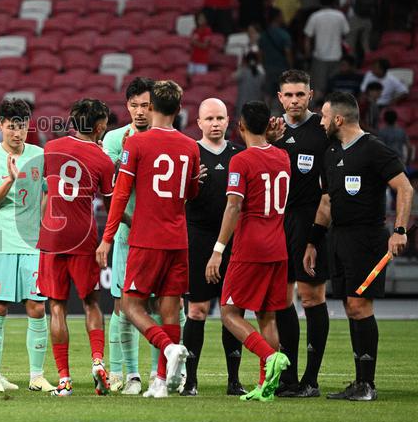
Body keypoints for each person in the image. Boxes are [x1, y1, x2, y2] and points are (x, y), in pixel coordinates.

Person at [305, 92, 412, 401]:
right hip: (338, 238)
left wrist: (400, 230)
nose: (321, 121)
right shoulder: (331, 152)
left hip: (366, 238)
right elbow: (326, 201)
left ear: (338, 119)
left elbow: (404, 187)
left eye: (324, 116)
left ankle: (367, 385)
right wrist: (314, 240)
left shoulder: (374, 149)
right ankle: (359, 383)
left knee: (360, 306)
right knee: (352, 307)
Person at [96, 80, 199, 399]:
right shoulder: (190, 146)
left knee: (130, 304)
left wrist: (107, 237)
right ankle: (159, 380)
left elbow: (120, 193)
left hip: (145, 236)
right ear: (179, 109)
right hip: (178, 239)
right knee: (170, 310)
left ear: (152, 107)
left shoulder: (136, 145)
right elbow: (192, 192)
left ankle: (167, 350)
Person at [205, 101, 292, 401]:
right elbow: (268, 157)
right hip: (278, 246)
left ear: (239, 127)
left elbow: (234, 205)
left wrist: (218, 249)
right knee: (267, 316)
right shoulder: (282, 156)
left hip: (250, 248)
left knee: (229, 313)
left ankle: (270, 357)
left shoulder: (240, 161)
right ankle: (265, 386)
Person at [38, 99, 116, 397]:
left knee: (57, 307)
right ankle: (97, 360)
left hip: (53, 236)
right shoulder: (103, 160)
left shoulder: (51, 149)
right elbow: (111, 207)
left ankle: (65, 380)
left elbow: (46, 190)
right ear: (98, 126)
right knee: (91, 303)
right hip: (84, 236)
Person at [0, 98, 52, 393]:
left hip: (32, 242)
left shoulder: (39, 154)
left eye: (22, 126)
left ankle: (36, 376)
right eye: (11, 127)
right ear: (0, 126)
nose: (17, 133)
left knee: (36, 307)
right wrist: (9, 180)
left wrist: (40, 219)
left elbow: (47, 192)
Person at [270, 69, 331, 397]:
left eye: (300, 94)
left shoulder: (323, 130)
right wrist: (269, 143)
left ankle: (311, 378)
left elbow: (330, 187)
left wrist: (316, 236)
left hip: (310, 220)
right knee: (280, 297)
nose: (294, 101)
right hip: (276, 221)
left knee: (311, 297)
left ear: (311, 95)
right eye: (288, 95)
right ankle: (288, 376)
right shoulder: (270, 130)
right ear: (279, 97)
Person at [182, 98, 245, 396]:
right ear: (199, 123)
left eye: (220, 118)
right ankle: (190, 380)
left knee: (232, 310)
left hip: (233, 240)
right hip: (197, 238)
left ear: (228, 119)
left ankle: (234, 380)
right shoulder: (189, 153)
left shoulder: (239, 154)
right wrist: (189, 184)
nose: (216, 123)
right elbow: (175, 199)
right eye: (210, 119)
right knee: (196, 310)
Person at [101, 77, 153, 394]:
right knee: (122, 305)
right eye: (133, 105)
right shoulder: (115, 140)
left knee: (168, 307)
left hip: (158, 233)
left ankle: (168, 372)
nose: (139, 111)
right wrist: (129, 220)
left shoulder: (168, 139)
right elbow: (110, 190)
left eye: (145, 105)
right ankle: (121, 372)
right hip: (126, 234)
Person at [304, 0, 350, 99]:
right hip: (336, 56)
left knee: (319, 89)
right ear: (334, 3)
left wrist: (307, 55)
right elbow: (346, 33)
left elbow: (307, 38)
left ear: (320, 3)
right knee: (335, 89)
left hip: (320, 57)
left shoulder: (315, 16)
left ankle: (319, 112)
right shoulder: (340, 16)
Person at [343, 0, 376, 66]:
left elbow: (348, 1)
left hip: (354, 16)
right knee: (365, 44)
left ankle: (351, 66)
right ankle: (369, 65)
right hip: (367, 15)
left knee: (351, 43)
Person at [259, 8, 293, 101]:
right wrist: (291, 67)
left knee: (268, 94)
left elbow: (260, 53)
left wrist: (262, 66)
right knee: (283, 94)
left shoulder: (263, 35)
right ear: (277, 18)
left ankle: (266, 113)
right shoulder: (284, 35)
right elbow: (288, 53)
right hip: (282, 68)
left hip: (268, 68)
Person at [188, 11, 213, 76]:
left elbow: (205, 45)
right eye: (199, 18)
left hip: (202, 61)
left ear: (206, 20)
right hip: (193, 60)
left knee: (200, 81)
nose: (200, 20)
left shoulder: (207, 30)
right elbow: (190, 43)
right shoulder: (194, 30)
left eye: (202, 18)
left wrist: (195, 43)